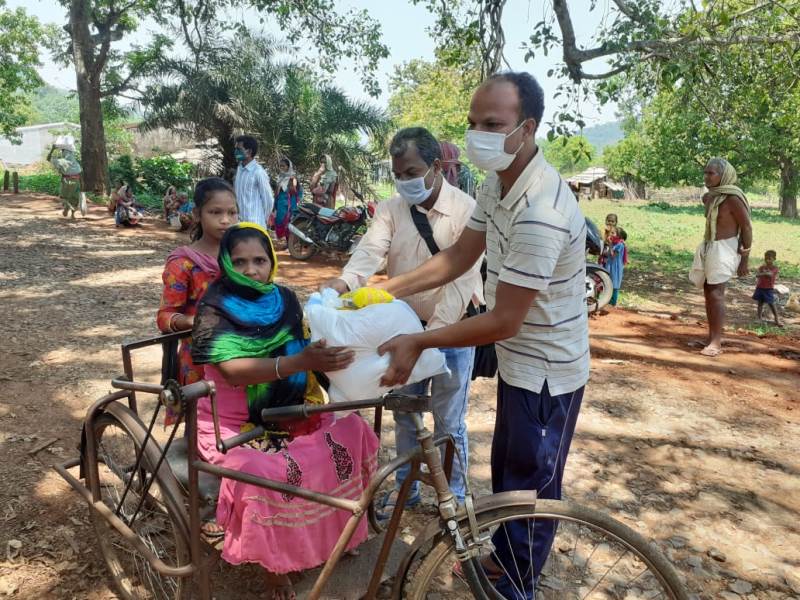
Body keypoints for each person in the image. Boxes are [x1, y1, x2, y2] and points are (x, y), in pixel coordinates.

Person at [375, 72, 588, 598]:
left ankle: (520, 584)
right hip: (520, 363)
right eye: (474, 123)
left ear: (528, 127)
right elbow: (458, 257)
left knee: (533, 486)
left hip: (547, 373)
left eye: (493, 124)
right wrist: (385, 291)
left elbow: (503, 320)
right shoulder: (499, 184)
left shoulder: (543, 211)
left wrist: (421, 340)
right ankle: (507, 559)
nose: (479, 134)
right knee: (510, 474)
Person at [191, 223, 379, 600]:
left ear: (272, 260)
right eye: (240, 261)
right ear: (226, 263)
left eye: (259, 260)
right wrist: (298, 362)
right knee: (261, 472)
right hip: (236, 423)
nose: (251, 270)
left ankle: (336, 534)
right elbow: (231, 371)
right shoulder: (214, 307)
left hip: (293, 409)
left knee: (352, 430)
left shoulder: (286, 299)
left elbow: (308, 348)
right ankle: (273, 567)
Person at [321, 127, 483, 517]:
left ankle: (454, 501)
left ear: (437, 166)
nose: (405, 181)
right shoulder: (392, 209)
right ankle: (406, 491)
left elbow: (461, 282)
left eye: (412, 172)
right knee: (406, 414)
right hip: (404, 328)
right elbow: (370, 252)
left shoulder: (467, 212)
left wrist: (426, 341)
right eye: (399, 174)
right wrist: (342, 283)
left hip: (452, 330)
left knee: (449, 423)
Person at [157, 178, 239, 419]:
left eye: (232, 212)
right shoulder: (184, 263)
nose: (225, 220)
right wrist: (194, 322)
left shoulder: (242, 255)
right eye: (215, 212)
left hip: (243, 351)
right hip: (199, 359)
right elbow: (165, 316)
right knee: (200, 425)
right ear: (197, 214)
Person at [688, 158, 752, 357]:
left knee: (716, 292)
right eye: (705, 173)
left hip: (725, 248)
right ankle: (710, 338)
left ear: (723, 176)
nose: (706, 177)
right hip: (710, 246)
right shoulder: (709, 197)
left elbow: (746, 227)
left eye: (711, 173)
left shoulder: (733, 198)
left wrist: (745, 259)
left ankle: (716, 342)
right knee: (708, 292)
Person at [233, 135, 274, 229]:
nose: (236, 152)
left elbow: (268, 200)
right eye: (235, 149)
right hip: (239, 223)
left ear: (249, 151)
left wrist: (263, 218)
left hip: (254, 225)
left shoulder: (258, 172)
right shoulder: (239, 169)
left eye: (239, 149)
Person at [46, 142, 83, 219]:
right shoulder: (75, 162)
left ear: (64, 153)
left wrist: (52, 149)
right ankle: (72, 214)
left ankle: (67, 208)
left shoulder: (61, 161)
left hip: (67, 181)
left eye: (62, 151)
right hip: (76, 181)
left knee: (65, 197)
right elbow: (80, 173)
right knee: (74, 197)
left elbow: (48, 158)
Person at [273, 158, 302, 245]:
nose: (281, 168)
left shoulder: (292, 178)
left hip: (289, 205)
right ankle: (285, 242)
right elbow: (277, 192)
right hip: (280, 204)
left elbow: (299, 192)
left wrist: (296, 202)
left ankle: (290, 244)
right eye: (280, 166)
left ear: (288, 167)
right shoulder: (280, 178)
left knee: (289, 222)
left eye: (283, 166)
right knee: (280, 221)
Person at [753, 250, 781, 326]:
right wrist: (764, 273)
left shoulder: (775, 268)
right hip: (760, 287)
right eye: (766, 258)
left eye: (769, 258)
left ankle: (776, 319)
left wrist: (763, 273)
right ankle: (759, 318)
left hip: (768, 289)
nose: (767, 260)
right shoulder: (762, 267)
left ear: (774, 259)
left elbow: (770, 274)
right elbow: (757, 275)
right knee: (760, 303)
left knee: (771, 303)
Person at [602, 229, 628, 306]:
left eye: (613, 233)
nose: (611, 234)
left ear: (618, 235)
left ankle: (613, 302)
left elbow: (613, 255)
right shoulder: (615, 243)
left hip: (615, 266)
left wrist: (610, 244)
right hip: (610, 264)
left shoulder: (620, 245)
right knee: (608, 280)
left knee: (615, 283)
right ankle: (608, 300)